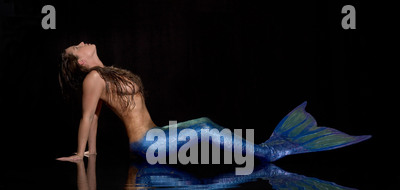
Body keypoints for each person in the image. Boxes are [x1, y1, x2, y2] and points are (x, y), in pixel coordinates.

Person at [57, 42, 370, 163]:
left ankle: (268, 150)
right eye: (75, 48)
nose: (81, 43)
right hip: (146, 142)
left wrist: (93, 151)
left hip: (155, 134)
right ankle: (270, 152)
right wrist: (81, 152)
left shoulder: (104, 74)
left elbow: (96, 117)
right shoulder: (93, 79)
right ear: (81, 62)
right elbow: (89, 118)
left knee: (204, 123)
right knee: (206, 127)